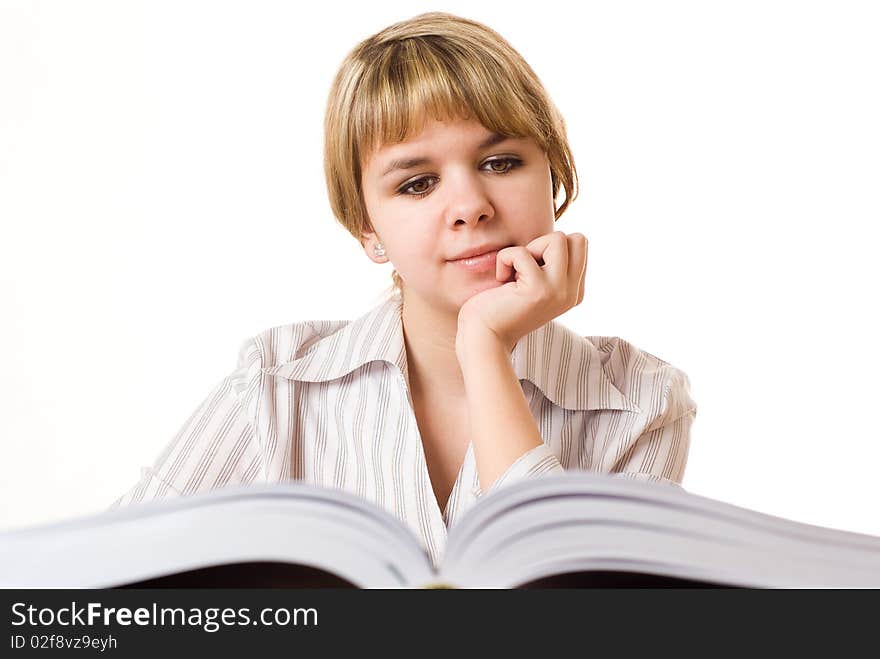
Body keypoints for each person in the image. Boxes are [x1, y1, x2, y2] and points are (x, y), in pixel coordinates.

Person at [111, 11, 697, 569]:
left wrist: (484, 346)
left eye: (500, 162)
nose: (470, 207)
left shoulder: (641, 403)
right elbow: (93, 587)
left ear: (554, 176)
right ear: (368, 228)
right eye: (418, 184)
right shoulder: (276, 384)